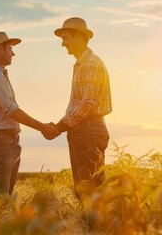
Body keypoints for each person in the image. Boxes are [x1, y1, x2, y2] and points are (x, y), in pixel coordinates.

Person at [0, 31, 58, 195]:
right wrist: (42, 127)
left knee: (1, 201)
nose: (13, 53)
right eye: (10, 48)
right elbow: (11, 110)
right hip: (1, 143)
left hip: (6, 142)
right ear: (1, 49)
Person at [45, 17, 112, 198]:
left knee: (89, 188)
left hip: (88, 128)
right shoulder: (83, 63)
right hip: (84, 128)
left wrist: (59, 127)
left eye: (65, 38)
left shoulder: (90, 64)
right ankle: (93, 225)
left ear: (78, 36)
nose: (63, 44)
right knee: (86, 188)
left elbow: (89, 103)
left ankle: (95, 225)